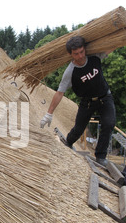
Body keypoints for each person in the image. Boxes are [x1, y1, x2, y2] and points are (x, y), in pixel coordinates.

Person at [40, 36, 116, 166]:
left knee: (109, 124)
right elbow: (59, 93)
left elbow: (112, 45)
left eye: (82, 52)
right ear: (70, 54)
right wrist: (49, 113)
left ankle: (100, 156)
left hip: (105, 97)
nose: (80, 56)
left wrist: (118, 34)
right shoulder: (70, 71)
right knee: (79, 129)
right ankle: (68, 142)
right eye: (76, 54)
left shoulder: (95, 57)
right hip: (87, 102)